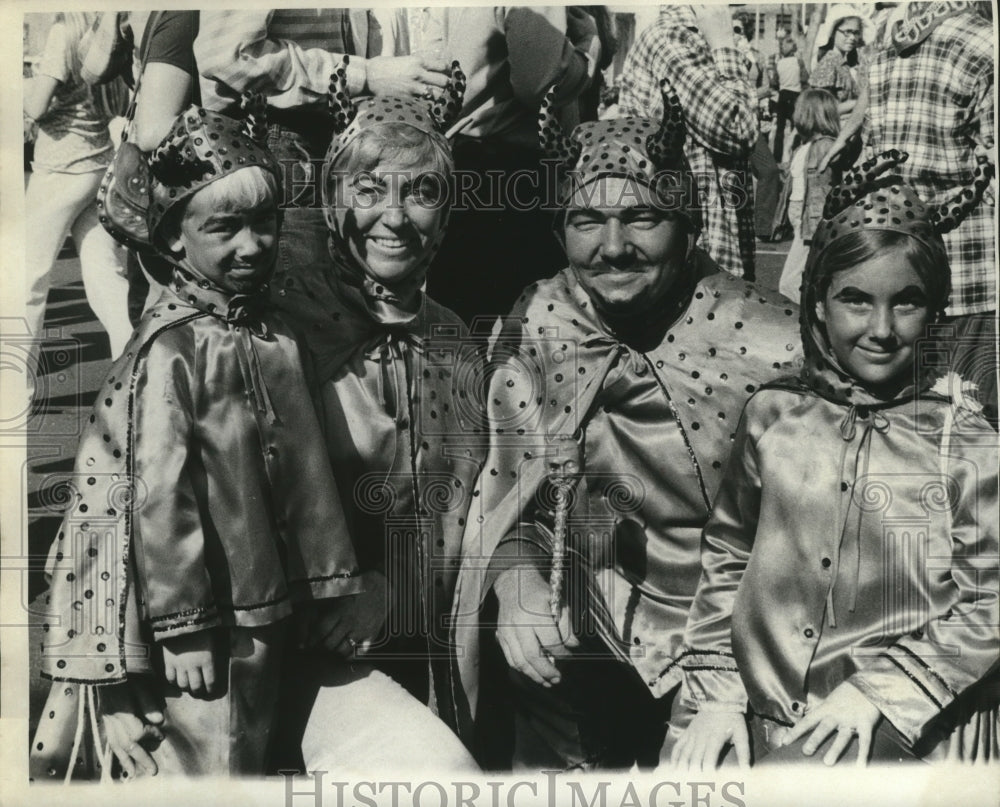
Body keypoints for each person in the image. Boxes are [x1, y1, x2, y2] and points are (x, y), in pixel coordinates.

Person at [450, 87, 803, 771]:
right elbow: (499, 491)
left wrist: (727, 682)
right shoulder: (540, 317)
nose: (613, 248)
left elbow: (815, 549)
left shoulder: (773, 342)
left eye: (642, 217)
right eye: (587, 220)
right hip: (574, 644)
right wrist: (515, 575)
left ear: (688, 224)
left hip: (723, 654)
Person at [29, 104, 362, 779]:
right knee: (220, 745)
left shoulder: (271, 332)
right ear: (177, 240)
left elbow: (306, 472)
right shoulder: (174, 350)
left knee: (261, 736)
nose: (252, 246)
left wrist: (328, 578)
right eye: (225, 228)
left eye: (265, 224)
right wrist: (181, 626)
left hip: (271, 597)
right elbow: (158, 496)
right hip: (211, 613)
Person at [672, 156, 999, 769]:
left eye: (907, 303)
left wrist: (880, 689)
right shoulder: (773, 415)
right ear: (818, 302)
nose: (881, 328)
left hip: (906, 726)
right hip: (757, 707)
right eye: (855, 299)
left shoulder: (965, 438)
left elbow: (992, 599)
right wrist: (716, 696)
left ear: (937, 310)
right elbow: (728, 553)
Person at [266, 61, 481, 774]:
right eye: (368, 189)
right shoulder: (279, 326)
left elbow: (461, 506)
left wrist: (390, 585)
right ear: (334, 198)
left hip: (416, 636)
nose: (394, 216)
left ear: (446, 212)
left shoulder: (452, 336)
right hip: (282, 648)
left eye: (421, 192)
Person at [826, 1, 996, 427]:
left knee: (906, 426)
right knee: (976, 433)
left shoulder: (887, 48)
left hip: (899, 282)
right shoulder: (986, 44)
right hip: (972, 279)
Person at [194, 9, 444, 281]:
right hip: (282, 143)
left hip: (330, 145)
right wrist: (365, 75)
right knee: (299, 302)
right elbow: (228, 56)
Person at [421, 6, 602, 325]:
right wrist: (589, 45)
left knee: (462, 323)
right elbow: (542, 84)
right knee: (528, 328)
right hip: (512, 175)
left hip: (469, 167)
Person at [23, 12, 132, 400]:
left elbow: (35, 108)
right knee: (105, 273)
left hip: (61, 167)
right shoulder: (104, 26)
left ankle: (13, 389)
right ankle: (133, 375)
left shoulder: (62, 30)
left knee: (26, 278)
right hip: (100, 161)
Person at [619, 4, 759, 280]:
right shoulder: (672, 38)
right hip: (692, 251)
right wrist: (724, 45)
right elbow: (738, 128)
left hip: (697, 244)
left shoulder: (692, 35)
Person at [776, 89, 840, 302]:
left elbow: (827, 187)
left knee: (789, 284)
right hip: (800, 222)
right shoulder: (805, 146)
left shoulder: (825, 146)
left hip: (811, 224)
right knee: (806, 280)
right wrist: (789, 142)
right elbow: (786, 174)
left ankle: (805, 326)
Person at [809, 5, 872, 119]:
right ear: (833, 32)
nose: (852, 37)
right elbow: (819, 110)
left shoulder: (847, 64)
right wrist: (859, 103)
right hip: (833, 131)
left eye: (856, 33)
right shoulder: (829, 62)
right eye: (847, 32)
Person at [773, 36, 807, 163]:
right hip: (795, 95)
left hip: (783, 95)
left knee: (779, 129)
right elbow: (804, 79)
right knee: (795, 127)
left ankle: (777, 157)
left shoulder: (779, 63)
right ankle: (794, 154)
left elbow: (774, 82)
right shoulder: (799, 62)